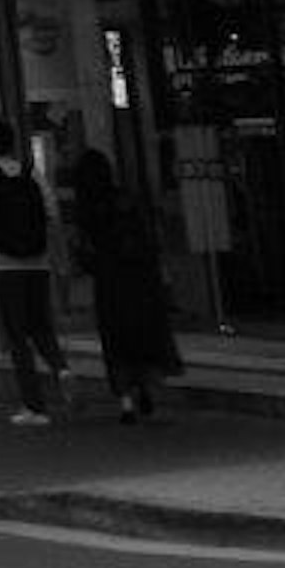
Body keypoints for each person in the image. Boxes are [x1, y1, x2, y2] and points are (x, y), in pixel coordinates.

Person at [0, 120, 68, 424]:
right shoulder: (30, 172)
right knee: (41, 325)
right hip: (38, 262)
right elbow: (52, 212)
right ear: (12, 143)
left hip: (2, 264)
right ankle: (62, 368)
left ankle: (34, 406)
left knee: (16, 335)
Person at [68, 148, 181, 424]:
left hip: (110, 282)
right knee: (141, 334)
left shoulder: (88, 209)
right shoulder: (126, 199)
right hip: (141, 279)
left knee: (115, 342)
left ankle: (126, 402)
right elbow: (148, 236)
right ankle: (145, 385)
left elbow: (85, 251)